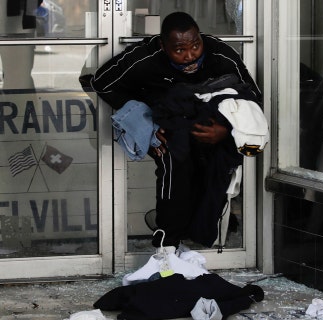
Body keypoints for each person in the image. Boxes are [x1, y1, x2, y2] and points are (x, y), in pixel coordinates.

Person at [89, 11, 262, 250]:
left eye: (195, 45)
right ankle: (168, 241)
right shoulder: (144, 57)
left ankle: (199, 231)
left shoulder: (221, 55)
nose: (190, 56)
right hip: (167, 126)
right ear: (162, 45)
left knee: (213, 168)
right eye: (179, 50)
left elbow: (253, 98)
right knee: (173, 157)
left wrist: (226, 129)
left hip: (210, 127)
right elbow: (102, 83)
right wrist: (145, 121)